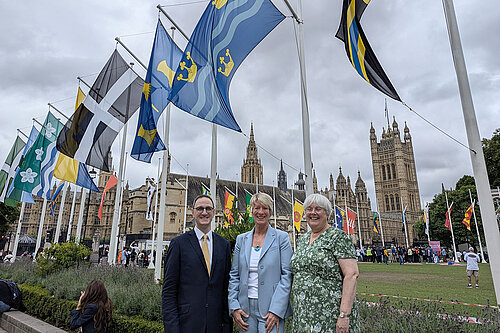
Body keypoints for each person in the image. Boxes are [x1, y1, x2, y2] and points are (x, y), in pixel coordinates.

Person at [162, 194, 232, 333]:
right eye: (200, 208)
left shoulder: (223, 245)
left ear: (213, 212)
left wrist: (227, 326)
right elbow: (169, 291)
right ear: (193, 212)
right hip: (187, 325)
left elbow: (225, 289)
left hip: (216, 325)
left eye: (208, 209)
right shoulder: (178, 244)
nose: (204, 212)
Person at [290, 193, 360, 333]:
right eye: (309, 209)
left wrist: (344, 315)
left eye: (318, 209)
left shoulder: (338, 237)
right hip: (303, 314)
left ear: (327, 213)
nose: (313, 213)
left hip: (330, 314)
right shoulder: (302, 240)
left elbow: (351, 274)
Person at [229, 193, 293, 333]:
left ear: (270, 212)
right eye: (257, 208)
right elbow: (234, 275)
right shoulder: (241, 239)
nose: (260, 212)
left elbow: (287, 275)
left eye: (265, 208)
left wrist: (276, 309)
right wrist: (234, 306)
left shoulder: (281, 238)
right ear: (251, 211)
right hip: (245, 309)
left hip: (270, 308)